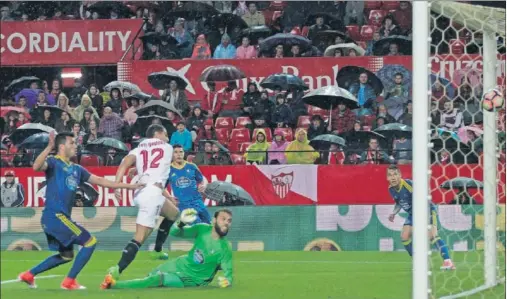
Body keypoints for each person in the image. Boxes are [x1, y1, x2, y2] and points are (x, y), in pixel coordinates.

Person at [17, 132, 144, 290]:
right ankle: (69, 281)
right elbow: (36, 167)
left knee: (66, 255)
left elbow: (101, 181)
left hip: (58, 218)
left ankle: (29, 275)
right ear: (62, 146)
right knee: (90, 241)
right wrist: (49, 147)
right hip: (55, 216)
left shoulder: (77, 169)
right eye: (72, 143)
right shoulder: (53, 162)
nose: (75, 146)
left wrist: (129, 186)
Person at [106, 124, 180, 279]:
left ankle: (157, 250)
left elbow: (125, 164)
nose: (167, 137)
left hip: (142, 189)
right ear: (158, 133)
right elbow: (163, 167)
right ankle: (116, 270)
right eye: (166, 134)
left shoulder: (139, 147)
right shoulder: (168, 148)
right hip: (151, 194)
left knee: (173, 213)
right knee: (140, 237)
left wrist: (117, 186)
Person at [101, 208, 233, 290]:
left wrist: (227, 280)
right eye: (223, 219)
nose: (227, 222)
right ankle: (136, 283)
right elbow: (175, 232)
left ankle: (114, 285)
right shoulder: (203, 229)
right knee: (152, 274)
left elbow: (228, 270)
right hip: (181, 263)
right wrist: (181, 222)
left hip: (193, 278)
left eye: (229, 220)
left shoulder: (225, 248)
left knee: (157, 279)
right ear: (214, 220)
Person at [386, 165, 455, 270]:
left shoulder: (409, 185)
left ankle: (448, 262)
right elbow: (399, 203)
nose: (393, 177)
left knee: (432, 236)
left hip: (426, 210)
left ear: (400, 175)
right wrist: (394, 213)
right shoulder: (391, 189)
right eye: (390, 175)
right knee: (404, 236)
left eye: (395, 174)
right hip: (413, 214)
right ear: (387, 178)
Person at [151, 145, 209, 260]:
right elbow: (161, 186)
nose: (178, 154)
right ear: (172, 155)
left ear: (184, 153)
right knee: (198, 228)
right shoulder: (168, 170)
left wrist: (204, 185)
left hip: (198, 202)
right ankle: (202, 255)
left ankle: (207, 252)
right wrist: (170, 198)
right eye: (176, 152)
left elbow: (202, 179)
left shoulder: (191, 166)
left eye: (181, 152)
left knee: (208, 228)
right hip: (184, 205)